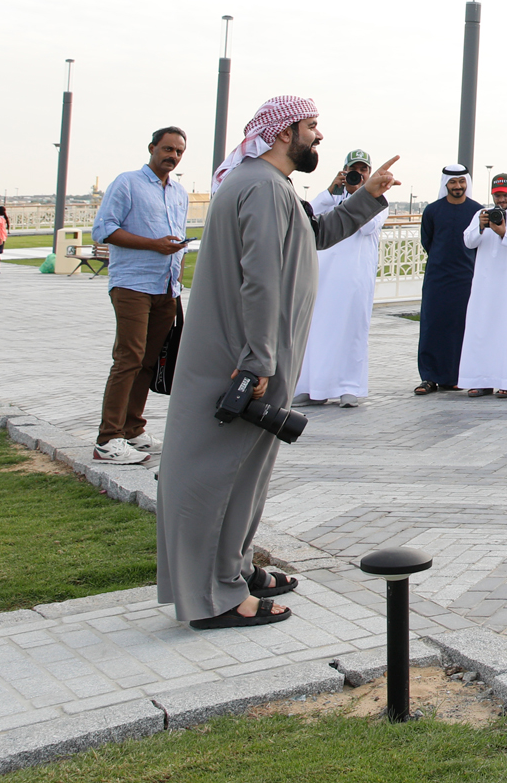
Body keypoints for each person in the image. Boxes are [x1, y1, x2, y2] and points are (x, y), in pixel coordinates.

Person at [156, 96, 396, 628]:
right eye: (312, 127)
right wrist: (259, 361)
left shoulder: (268, 185)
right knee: (218, 475)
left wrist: (367, 196)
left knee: (245, 473)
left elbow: (313, 236)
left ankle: (234, 569)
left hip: (254, 355)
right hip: (243, 357)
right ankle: (215, 597)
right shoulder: (261, 187)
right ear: (285, 132)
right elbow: (259, 278)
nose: (319, 137)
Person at [89, 126, 192, 464]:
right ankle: (108, 438)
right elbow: (104, 230)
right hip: (133, 284)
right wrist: (154, 245)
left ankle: (132, 428)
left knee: (149, 360)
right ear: (152, 148)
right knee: (129, 357)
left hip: (166, 287)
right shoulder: (127, 183)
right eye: (167, 149)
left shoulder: (178, 193)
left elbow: (175, 236)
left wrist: (176, 264)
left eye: (178, 151)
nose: (172, 156)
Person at [297, 150, 389, 407]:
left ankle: (349, 387)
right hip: (324, 276)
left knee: (351, 331)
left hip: (354, 278)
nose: (358, 175)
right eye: (354, 170)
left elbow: (368, 226)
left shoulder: (378, 200)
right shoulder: (332, 197)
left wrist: (361, 194)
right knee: (317, 330)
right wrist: (332, 190)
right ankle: (312, 386)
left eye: (363, 170)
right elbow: (307, 214)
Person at [457, 174, 507, 398]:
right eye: (497, 195)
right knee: (481, 329)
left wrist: (504, 233)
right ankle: (481, 380)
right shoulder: (480, 215)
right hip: (485, 284)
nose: (501, 200)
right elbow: (468, 241)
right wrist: (481, 227)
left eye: (505, 195)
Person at [415, 165, 482, 394]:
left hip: (466, 277)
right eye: (453, 182)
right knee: (432, 325)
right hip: (437, 277)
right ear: (446, 184)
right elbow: (428, 241)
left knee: (460, 326)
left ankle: (455, 377)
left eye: (461, 182)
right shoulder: (432, 210)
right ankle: (429, 377)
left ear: (467, 184)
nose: (457, 186)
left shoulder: (477, 211)